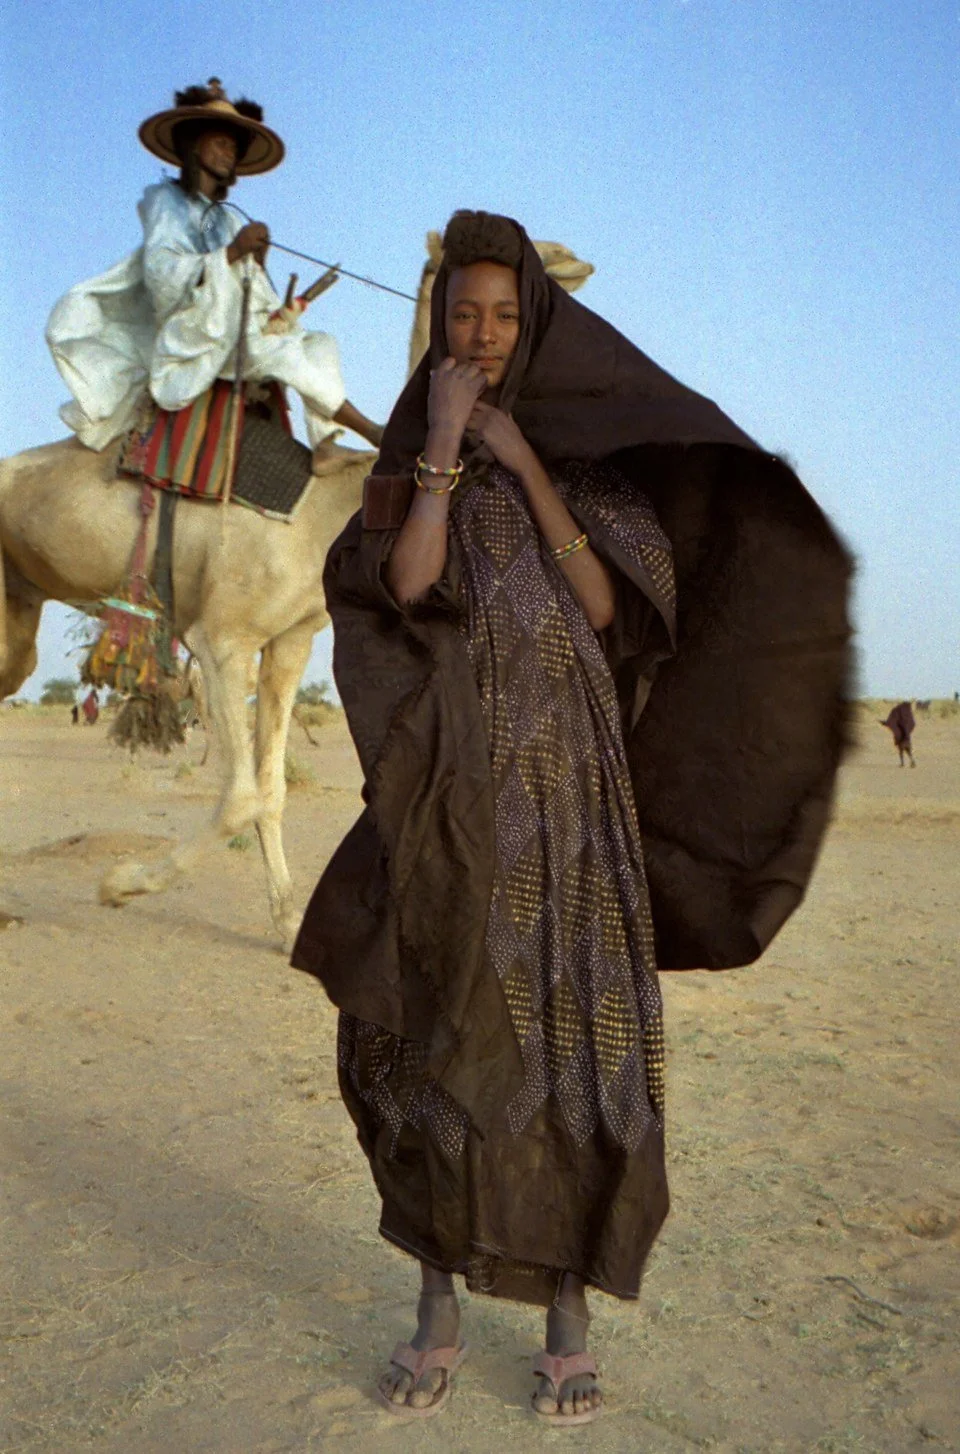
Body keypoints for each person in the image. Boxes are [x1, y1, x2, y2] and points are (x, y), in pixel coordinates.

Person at [292, 211, 852, 1424]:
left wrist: (530, 464)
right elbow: (408, 584)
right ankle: (438, 1308)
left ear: (534, 325)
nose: (483, 335)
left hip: (572, 815)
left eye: (503, 315)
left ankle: (566, 1318)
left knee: (574, 1053)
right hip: (445, 807)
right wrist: (444, 440)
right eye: (463, 316)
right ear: (437, 325)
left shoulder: (595, 473)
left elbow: (604, 605)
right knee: (423, 1044)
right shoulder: (404, 465)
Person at [47, 78, 382, 458]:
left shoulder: (228, 220)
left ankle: (325, 444)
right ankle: (371, 430)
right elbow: (162, 273)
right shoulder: (164, 202)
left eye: (234, 147)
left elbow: (250, 287)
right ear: (194, 143)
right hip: (193, 331)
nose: (229, 153)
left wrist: (256, 264)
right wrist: (232, 253)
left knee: (320, 344)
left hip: (232, 324)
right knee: (281, 355)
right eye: (221, 142)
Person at [880, 700, 916, 766]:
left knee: (901, 749)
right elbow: (912, 723)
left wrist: (883, 723)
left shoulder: (896, 711)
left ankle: (903, 763)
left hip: (900, 735)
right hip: (906, 735)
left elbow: (891, 722)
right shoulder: (907, 713)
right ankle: (911, 761)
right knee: (907, 750)